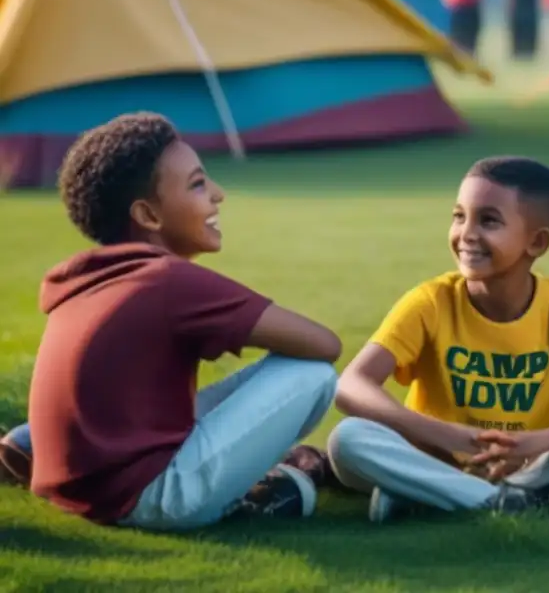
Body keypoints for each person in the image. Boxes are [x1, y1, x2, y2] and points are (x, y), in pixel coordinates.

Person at [2, 113, 342, 530]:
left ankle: (30, 440)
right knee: (310, 373)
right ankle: (254, 489)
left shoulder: (85, 278)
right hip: (146, 498)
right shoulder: (169, 281)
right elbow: (324, 345)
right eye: (198, 184)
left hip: (78, 486)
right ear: (148, 215)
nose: (218, 195)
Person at [328, 156, 549, 524]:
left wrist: (539, 441)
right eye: (459, 216)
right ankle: (515, 501)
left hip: (535, 462)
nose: (467, 234)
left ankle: (437, 497)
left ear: (536, 242)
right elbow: (351, 384)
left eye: (488, 221)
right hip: (434, 458)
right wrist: (453, 437)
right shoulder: (430, 301)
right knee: (347, 439)